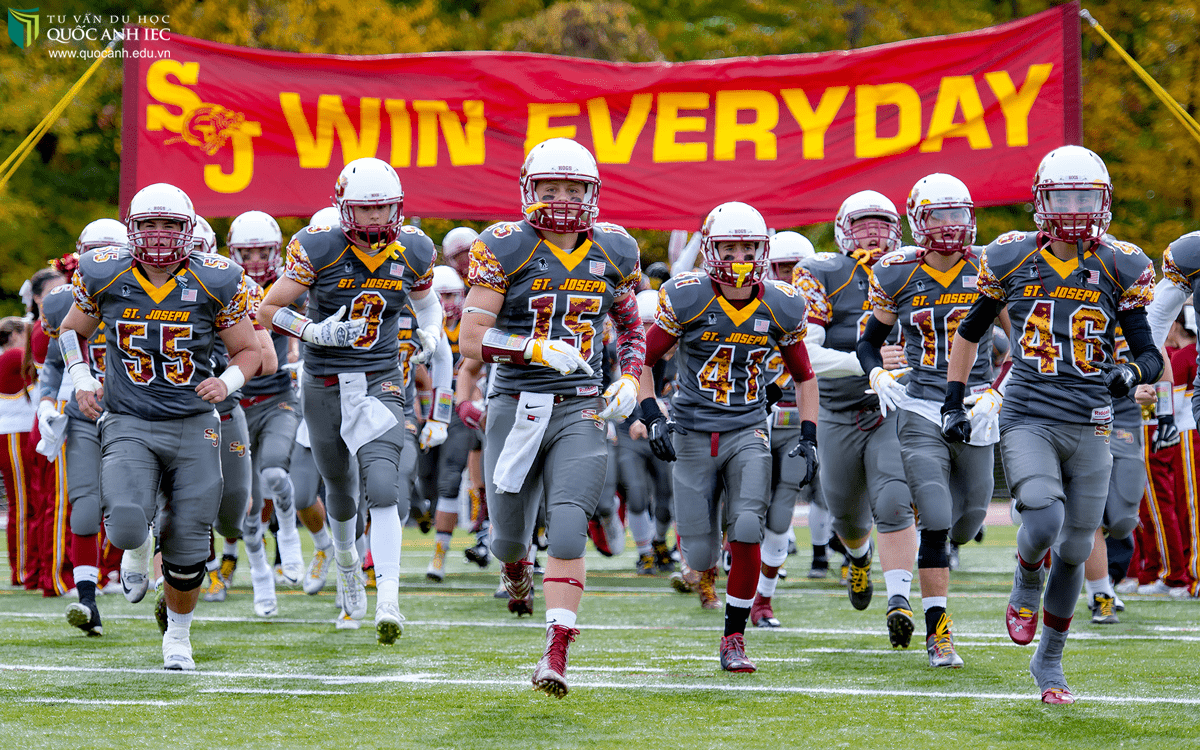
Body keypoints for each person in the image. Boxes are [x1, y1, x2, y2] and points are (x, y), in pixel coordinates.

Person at [941, 145, 1160, 703]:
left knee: (1075, 546)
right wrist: (955, 399)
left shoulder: (1121, 262)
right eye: (1065, 195)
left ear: (1104, 200)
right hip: (1030, 411)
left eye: (1087, 195)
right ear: (1042, 199)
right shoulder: (1010, 257)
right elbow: (969, 332)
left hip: (1092, 419)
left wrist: (1129, 371)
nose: (1077, 207)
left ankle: (1051, 663)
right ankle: (1024, 580)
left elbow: (1149, 354)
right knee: (1043, 516)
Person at [459, 137, 645, 698]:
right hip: (516, 403)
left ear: (592, 194)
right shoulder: (504, 245)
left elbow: (634, 328)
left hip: (580, 405)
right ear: (528, 190)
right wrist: (533, 349)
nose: (562, 199)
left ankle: (556, 649)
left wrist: (632, 378)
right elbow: (470, 338)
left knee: (567, 526)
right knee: (508, 539)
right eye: (550, 188)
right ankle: (517, 573)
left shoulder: (616, 249)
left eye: (573, 189)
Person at [60, 182, 261, 669]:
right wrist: (82, 378)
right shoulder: (103, 272)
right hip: (129, 418)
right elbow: (70, 331)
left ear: (188, 229)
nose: (157, 235)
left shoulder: (217, 278)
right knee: (127, 524)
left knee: (191, 535)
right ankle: (135, 554)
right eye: (148, 224)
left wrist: (228, 380)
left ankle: (178, 637)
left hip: (193, 422)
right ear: (132, 229)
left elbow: (250, 351)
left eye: (169, 224)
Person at [258, 157, 442, 641]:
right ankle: (345, 570)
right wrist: (315, 329)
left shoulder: (415, 248)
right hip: (324, 384)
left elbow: (427, 305)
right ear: (345, 209)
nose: (377, 219)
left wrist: (431, 332)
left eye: (384, 208)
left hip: (380, 378)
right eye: (366, 209)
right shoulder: (317, 246)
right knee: (339, 492)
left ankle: (389, 601)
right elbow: (269, 308)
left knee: (383, 487)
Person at [638, 201, 818, 673]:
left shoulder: (782, 302)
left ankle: (734, 638)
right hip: (694, 433)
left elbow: (804, 376)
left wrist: (809, 435)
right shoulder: (686, 295)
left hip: (746, 430)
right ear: (710, 248)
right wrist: (652, 413)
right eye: (729, 246)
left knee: (745, 529)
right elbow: (646, 360)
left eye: (748, 247)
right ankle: (704, 567)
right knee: (698, 554)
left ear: (763, 250)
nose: (739, 256)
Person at [858, 173, 1001, 666]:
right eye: (938, 214)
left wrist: (999, 393)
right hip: (919, 404)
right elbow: (867, 340)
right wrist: (877, 374)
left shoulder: (991, 263)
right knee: (936, 517)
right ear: (917, 220)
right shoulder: (896, 271)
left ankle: (936, 580)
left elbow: (1023, 341)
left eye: (957, 213)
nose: (950, 224)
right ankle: (940, 633)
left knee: (967, 522)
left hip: (978, 403)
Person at [792, 191, 918, 644]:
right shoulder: (820, 273)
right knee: (844, 510)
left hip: (892, 408)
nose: (873, 233)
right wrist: (869, 364)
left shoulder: (913, 269)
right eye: (863, 224)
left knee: (893, 498)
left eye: (882, 223)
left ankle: (899, 597)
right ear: (844, 229)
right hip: (839, 408)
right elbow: (807, 356)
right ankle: (859, 559)